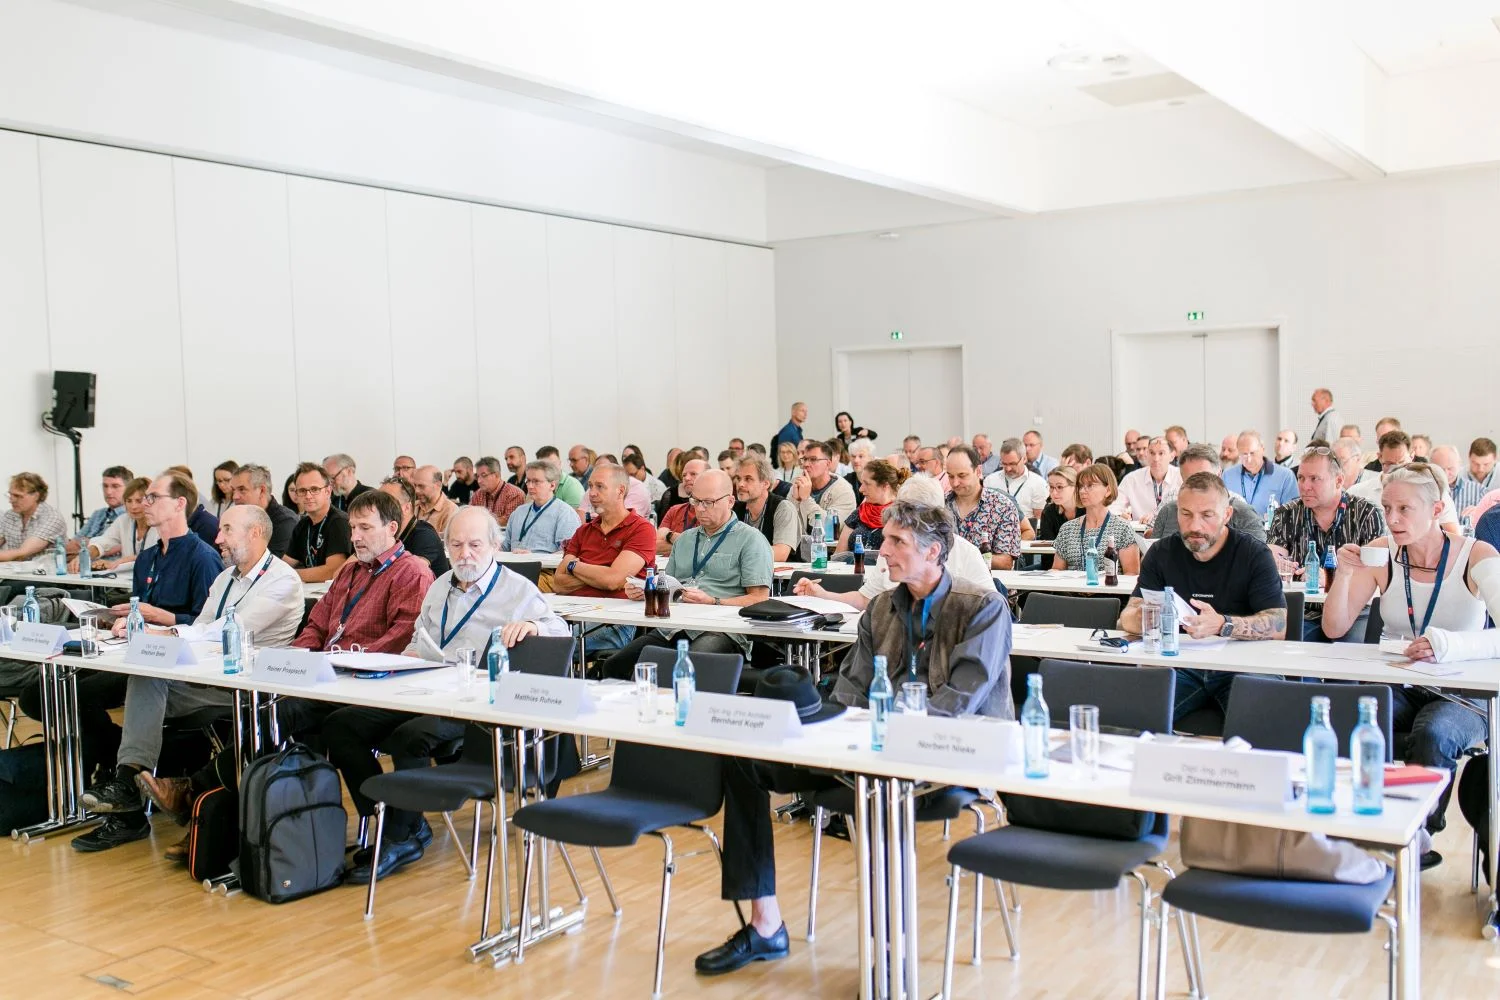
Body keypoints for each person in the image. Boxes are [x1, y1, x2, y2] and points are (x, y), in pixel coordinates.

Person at [695, 501, 1013, 976]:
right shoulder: (882, 608)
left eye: (896, 542)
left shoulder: (981, 607)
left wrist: (872, 734)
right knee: (745, 758)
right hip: (867, 752)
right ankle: (765, 925)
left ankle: (891, 954)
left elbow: (957, 704)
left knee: (878, 792)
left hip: (948, 757)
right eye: (885, 539)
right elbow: (850, 689)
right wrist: (829, 732)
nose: (882, 550)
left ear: (934, 552)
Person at [338, 506, 568, 882]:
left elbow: (558, 629)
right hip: (425, 689)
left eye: (475, 545)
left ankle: (398, 835)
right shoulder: (440, 585)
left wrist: (531, 624)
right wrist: (409, 656)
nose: (465, 554)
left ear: (495, 545)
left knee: (409, 738)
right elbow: (420, 637)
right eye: (456, 545)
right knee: (342, 725)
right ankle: (394, 817)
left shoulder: (516, 590)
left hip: (474, 705)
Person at [72, 505, 304, 853]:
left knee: (147, 680)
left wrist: (163, 633)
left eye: (227, 529)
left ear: (255, 533)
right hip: (204, 679)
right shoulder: (225, 578)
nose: (218, 537)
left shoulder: (283, 580)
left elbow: (227, 632)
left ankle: (128, 801)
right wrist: (155, 632)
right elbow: (199, 630)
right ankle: (126, 785)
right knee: (145, 677)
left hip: (246, 692)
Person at [1322, 463, 1498, 853]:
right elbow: (1335, 627)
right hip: (1399, 680)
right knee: (1351, 715)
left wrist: (1447, 645)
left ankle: (1418, 833)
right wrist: (1346, 575)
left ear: (1436, 510)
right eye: (1386, 508)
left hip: (1461, 689)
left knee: (1433, 733)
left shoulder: (1475, 555)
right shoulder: (1383, 554)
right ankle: (1358, 825)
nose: (1392, 519)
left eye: (1404, 509)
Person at [1119, 473, 1287, 718]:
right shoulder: (1161, 552)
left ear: (1227, 515)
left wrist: (1223, 624)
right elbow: (1128, 616)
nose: (1195, 526)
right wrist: (1150, 616)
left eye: (1207, 515)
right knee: (1134, 715)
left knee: (1259, 721)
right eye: (1186, 514)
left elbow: (1279, 624)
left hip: (1243, 664)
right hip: (1179, 663)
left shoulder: (1253, 553)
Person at [602, 470, 773, 679]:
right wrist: (646, 591)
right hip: (676, 626)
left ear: (730, 501)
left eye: (708, 502)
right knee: (615, 667)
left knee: (684, 669)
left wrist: (714, 601)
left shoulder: (751, 540)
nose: (700, 509)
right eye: (695, 501)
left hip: (721, 629)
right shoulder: (685, 540)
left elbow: (759, 599)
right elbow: (670, 586)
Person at [794, 474, 993, 610]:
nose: (884, 551)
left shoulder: (966, 553)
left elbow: (990, 605)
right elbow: (865, 599)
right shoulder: (890, 551)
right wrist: (822, 595)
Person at [1265, 445, 1386, 641]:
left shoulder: (1366, 514)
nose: (1305, 486)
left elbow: (1374, 572)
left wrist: (1330, 579)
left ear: (1339, 481)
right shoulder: (1286, 514)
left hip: (1353, 611)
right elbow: (1273, 556)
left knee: (1348, 660)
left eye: (1315, 479)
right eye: (1301, 478)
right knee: (1295, 653)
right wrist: (1277, 563)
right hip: (1303, 612)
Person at [554, 466, 656, 600]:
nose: (592, 493)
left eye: (600, 486)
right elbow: (558, 583)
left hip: (618, 615)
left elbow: (613, 581)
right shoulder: (583, 531)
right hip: (576, 613)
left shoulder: (642, 529)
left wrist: (573, 566)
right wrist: (602, 575)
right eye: (590, 486)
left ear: (620, 491)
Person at [1347, 431, 1461, 531]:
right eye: (1390, 464)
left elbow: (1452, 534)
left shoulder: (1434, 492)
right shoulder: (1357, 493)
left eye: (1402, 463)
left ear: (1412, 456)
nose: (1396, 470)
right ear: (1379, 457)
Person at [1152, 445, 1267, 543]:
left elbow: (1258, 562)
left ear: (1218, 475)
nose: (1196, 488)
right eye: (1190, 481)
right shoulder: (1168, 511)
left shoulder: (1243, 514)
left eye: (1203, 480)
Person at [1051, 464, 1141, 574]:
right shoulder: (1067, 529)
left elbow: (1131, 574)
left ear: (1107, 490)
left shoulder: (1122, 528)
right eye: (1081, 486)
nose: (1082, 491)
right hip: (1071, 590)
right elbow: (1057, 570)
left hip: (1108, 589)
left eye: (1090, 485)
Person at [945, 445, 1021, 570]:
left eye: (962, 475)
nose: (955, 483)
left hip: (988, 585)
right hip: (946, 585)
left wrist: (965, 557)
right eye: (950, 476)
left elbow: (1005, 562)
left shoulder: (1002, 506)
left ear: (978, 471)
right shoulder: (939, 505)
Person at [284, 461, 354, 583]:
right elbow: (285, 563)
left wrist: (289, 574)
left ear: (328, 491)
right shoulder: (303, 525)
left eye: (314, 489)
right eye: (302, 490)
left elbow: (332, 570)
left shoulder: (339, 522)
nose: (308, 496)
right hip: (310, 592)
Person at [732, 453, 800, 562]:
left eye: (748, 479)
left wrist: (740, 554)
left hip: (781, 577)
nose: (740, 484)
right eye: (738, 478)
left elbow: (780, 554)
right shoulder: (735, 508)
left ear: (766, 484)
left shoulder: (783, 507)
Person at [79, 477, 155, 571]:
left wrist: (116, 563)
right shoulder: (123, 520)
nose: (133, 507)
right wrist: (85, 555)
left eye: (139, 501)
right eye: (129, 501)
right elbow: (103, 542)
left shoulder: (161, 524)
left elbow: (157, 555)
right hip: (127, 581)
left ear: (151, 501)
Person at [505, 460, 582, 554]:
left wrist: (533, 558)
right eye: (528, 481)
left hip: (544, 567)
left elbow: (567, 552)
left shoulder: (565, 513)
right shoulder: (518, 512)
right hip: (512, 565)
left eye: (536, 481)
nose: (530, 486)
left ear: (552, 485)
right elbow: (505, 546)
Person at [379, 477, 450, 576]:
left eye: (386, 502)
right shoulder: (387, 533)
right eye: (376, 501)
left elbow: (412, 575)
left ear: (407, 508)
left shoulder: (425, 535)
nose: (377, 507)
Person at [834, 458, 904, 555]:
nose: (860, 489)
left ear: (885, 486)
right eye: (862, 483)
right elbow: (838, 556)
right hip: (853, 568)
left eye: (867, 484)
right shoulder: (860, 512)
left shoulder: (902, 515)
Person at [227, 463, 298, 559]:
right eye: (233, 490)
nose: (235, 497)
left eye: (242, 489)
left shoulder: (285, 521)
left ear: (262, 490)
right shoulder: (236, 520)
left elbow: (269, 564)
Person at [790, 440, 858, 538]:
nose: (806, 464)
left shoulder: (843, 491)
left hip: (829, 550)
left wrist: (806, 499)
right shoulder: (797, 483)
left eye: (813, 459)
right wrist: (795, 502)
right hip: (798, 550)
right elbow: (786, 525)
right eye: (805, 459)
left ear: (828, 463)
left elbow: (830, 530)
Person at [1222, 430, 1297, 517]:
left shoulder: (1285, 476)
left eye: (1252, 453)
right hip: (1235, 529)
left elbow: (1293, 514)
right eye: (1244, 454)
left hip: (1270, 529)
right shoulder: (1227, 475)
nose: (1249, 460)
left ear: (1262, 449)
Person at [1112, 437, 1182, 526]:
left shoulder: (1181, 476)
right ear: (1147, 454)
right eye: (1152, 453)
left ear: (1172, 455)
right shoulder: (1132, 479)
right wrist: (1120, 516)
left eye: (1161, 453)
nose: (1156, 459)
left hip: (1172, 532)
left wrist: (1157, 516)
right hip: (1140, 534)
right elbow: (1113, 508)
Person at [0, 472, 69, 562]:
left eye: (17, 496)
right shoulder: (9, 515)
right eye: (10, 495)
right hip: (15, 572)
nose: (11, 500)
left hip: (45, 573)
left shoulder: (52, 517)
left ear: (36, 496)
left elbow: (22, 553)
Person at [68, 465, 133, 555]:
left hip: (111, 566)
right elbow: (72, 543)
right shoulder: (98, 514)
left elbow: (112, 548)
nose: (108, 492)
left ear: (129, 489)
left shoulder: (131, 516)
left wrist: (87, 543)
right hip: (84, 562)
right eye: (105, 486)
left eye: (115, 486)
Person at [983, 437, 1048, 522]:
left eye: (1013, 464)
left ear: (1024, 459)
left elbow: (1039, 519)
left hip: (1026, 531)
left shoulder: (1038, 483)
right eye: (1004, 464)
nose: (1008, 469)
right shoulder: (990, 481)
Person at [657, 458, 708, 555]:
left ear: (708, 478)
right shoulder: (675, 510)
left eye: (693, 474)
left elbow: (706, 548)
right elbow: (655, 546)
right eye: (684, 475)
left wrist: (669, 535)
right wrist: (688, 545)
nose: (686, 478)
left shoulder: (715, 511)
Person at [469, 455, 527, 526]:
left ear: (497, 475)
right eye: (477, 476)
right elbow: (470, 516)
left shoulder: (514, 494)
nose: (479, 481)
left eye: (484, 475)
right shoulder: (478, 494)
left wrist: (479, 520)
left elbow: (508, 521)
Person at [1454, 437, 1498, 515]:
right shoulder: (1458, 475)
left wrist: (1482, 509)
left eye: (1486, 464)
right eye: (1475, 463)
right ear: (1469, 457)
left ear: (1495, 459)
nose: (1480, 469)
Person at [412, 464, 460, 535]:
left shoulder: (450, 510)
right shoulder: (412, 506)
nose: (416, 491)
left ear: (438, 485)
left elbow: (446, 543)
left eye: (421, 486)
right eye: (415, 485)